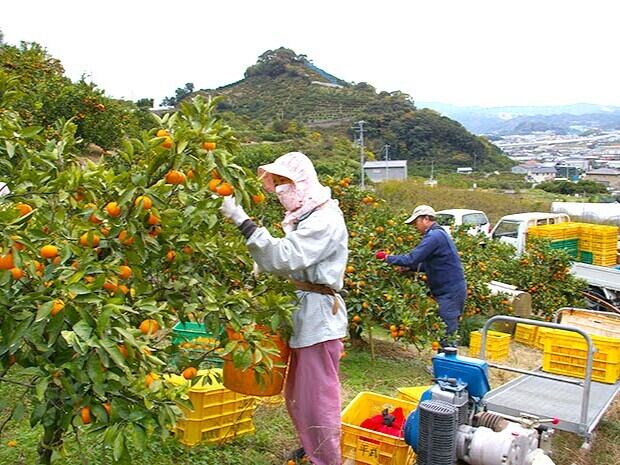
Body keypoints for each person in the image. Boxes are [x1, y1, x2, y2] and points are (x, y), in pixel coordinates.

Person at [219, 151, 348, 465]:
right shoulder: (307, 217)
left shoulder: (325, 218)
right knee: (299, 398)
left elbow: (285, 256)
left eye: (283, 181)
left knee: (316, 400)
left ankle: (327, 460)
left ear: (302, 182)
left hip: (319, 320)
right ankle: (313, 449)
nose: (278, 189)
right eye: (275, 182)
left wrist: (242, 220)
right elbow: (288, 261)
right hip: (304, 316)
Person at [377, 204, 466, 346]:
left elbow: (412, 258)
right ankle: (443, 358)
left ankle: (447, 360)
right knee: (443, 331)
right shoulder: (438, 234)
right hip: (449, 290)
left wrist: (387, 258)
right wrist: (408, 268)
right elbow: (429, 264)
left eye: (416, 222)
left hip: (451, 292)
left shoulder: (434, 236)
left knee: (447, 334)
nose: (415, 227)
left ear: (426, 219)